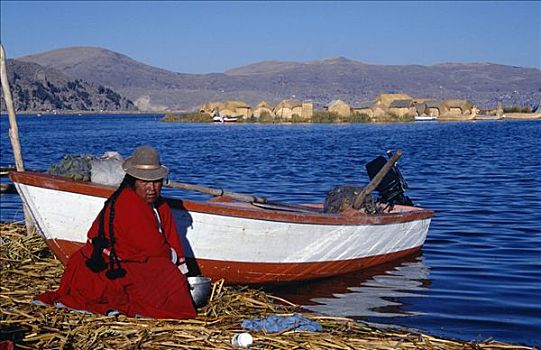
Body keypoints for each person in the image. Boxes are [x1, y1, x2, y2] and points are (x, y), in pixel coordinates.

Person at [37, 145, 197, 319]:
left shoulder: (160, 205)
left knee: (169, 272)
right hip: (108, 265)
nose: (151, 188)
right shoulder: (128, 203)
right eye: (144, 182)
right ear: (133, 181)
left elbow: (169, 238)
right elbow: (154, 249)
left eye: (156, 181)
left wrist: (181, 267)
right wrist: (172, 262)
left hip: (128, 259)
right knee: (167, 274)